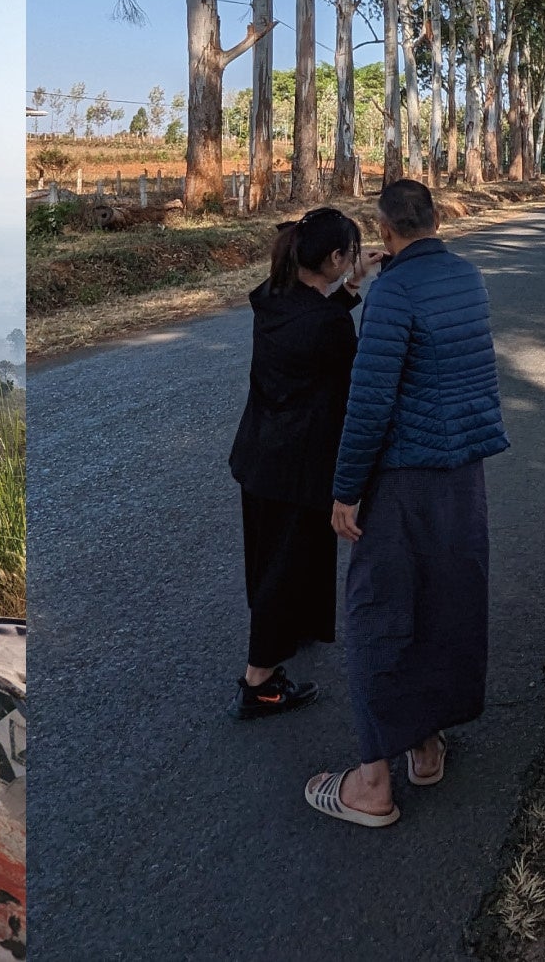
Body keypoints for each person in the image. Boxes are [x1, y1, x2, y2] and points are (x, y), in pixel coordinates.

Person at [304, 178, 506, 829]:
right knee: (446, 603)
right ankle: (425, 744)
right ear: (438, 220)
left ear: (385, 231)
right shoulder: (469, 278)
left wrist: (344, 490)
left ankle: (372, 783)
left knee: (378, 612)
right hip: (463, 475)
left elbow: (369, 404)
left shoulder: (391, 293)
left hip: (405, 479)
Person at [225, 207, 369, 719]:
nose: (355, 259)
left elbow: (319, 317)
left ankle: (291, 630)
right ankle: (259, 682)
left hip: (259, 457)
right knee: (285, 568)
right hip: (298, 467)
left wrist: (349, 286)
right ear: (333, 258)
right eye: (350, 253)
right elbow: (344, 364)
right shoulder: (327, 327)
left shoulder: (273, 299)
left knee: (270, 559)